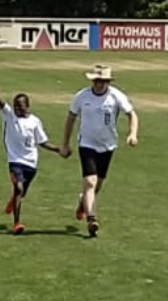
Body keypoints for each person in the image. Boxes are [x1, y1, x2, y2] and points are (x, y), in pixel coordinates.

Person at [59, 64, 139, 238]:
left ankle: (83, 202)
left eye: (103, 81)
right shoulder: (82, 96)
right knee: (90, 181)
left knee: (97, 184)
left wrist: (132, 134)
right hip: (87, 144)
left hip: (107, 146)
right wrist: (65, 144)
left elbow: (132, 114)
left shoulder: (116, 96)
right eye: (97, 81)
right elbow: (71, 118)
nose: (100, 84)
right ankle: (91, 219)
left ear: (108, 82)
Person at [0, 71, 60, 235]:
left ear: (27, 106)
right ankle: (17, 223)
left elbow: (42, 142)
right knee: (19, 188)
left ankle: (13, 201)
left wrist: (57, 149)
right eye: (15, 105)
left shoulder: (35, 121)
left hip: (31, 163)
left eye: (20, 106)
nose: (17, 108)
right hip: (15, 161)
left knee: (21, 192)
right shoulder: (9, 116)